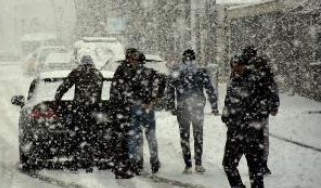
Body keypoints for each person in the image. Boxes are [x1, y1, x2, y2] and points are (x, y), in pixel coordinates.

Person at [222, 54, 274, 188]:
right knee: (228, 164)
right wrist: (226, 116)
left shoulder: (256, 80)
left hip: (252, 133)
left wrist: (254, 123)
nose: (236, 68)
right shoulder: (233, 81)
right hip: (234, 132)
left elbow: (266, 105)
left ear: (244, 65)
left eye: (238, 65)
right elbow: (228, 102)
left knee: (255, 168)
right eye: (233, 65)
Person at [110, 48, 161, 178]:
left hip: (135, 108)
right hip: (146, 108)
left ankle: (136, 163)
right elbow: (161, 82)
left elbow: (119, 89)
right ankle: (153, 162)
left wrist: (127, 101)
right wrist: (153, 99)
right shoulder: (149, 72)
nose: (133, 61)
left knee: (136, 137)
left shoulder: (126, 71)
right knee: (148, 136)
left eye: (134, 59)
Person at [167, 49, 219, 174]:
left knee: (184, 136)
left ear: (183, 58)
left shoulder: (177, 71)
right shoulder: (201, 71)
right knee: (198, 135)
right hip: (197, 107)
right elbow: (210, 89)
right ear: (194, 58)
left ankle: (188, 165)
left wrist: (171, 106)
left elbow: (170, 89)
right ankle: (199, 164)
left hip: (182, 107)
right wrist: (214, 106)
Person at [55, 54, 104, 172]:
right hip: (93, 109)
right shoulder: (98, 73)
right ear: (92, 62)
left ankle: (75, 161)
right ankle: (89, 162)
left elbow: (65, 85)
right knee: (91, 136)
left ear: (81, 63)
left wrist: (58, 96)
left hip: (79, 108)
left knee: (77, 135)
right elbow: (99, 92)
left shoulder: (77, 72)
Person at [240, 46, 280, 175]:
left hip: (254, 109)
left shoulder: (247, 68)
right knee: (260, 138)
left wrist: (274, 104)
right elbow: (272, 86)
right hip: (257, 109)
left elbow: (272, 86)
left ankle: (259, 164)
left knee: (255, 138)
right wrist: (274, 104)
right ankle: (260, 164)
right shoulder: (260, 66)